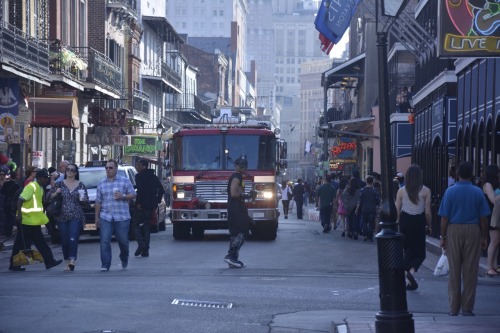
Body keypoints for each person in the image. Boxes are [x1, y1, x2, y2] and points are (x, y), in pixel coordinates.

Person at [438, 161, 489, 316]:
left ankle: (453, 308)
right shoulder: (478, 192)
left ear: (457, 174)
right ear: (472, 175)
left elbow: (444, 218)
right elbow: (484, 217)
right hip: (473, 230)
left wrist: (443, 236)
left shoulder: (450, 192)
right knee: (470, 270)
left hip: (453, 229)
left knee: (454, 270)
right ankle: (467, 308)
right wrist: (484, 236)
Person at [8, 169, 62, 271]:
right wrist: (19, 215)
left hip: (33, 221)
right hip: (26, 221)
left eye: (47, 178)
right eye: (45, 178)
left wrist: (54, 195)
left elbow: (42, 202)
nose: (46, 180)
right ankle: (14, 264)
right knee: (22, 243)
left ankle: (49, 261)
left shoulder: (40, 188)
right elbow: (20, 200)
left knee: (38, 242)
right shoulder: (31, 187)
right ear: (39, 178)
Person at [395, 165, 432, 290]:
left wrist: (397, 223)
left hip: (405, 220)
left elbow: (397, 210)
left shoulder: (401, 191)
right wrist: (429, 225)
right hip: (418, 220)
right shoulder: (426, 190)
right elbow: (427, 211)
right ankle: (411, 271)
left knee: (407, 249)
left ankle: (408, 275)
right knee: (420, 252)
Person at [95, 159, 136, 271]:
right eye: (106, 168)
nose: (108, 169)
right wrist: (96, 218)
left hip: (122, 216)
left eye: (110, 167)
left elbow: (133, 194)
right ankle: (105, 265)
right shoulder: (101, 183)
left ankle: (124, 257)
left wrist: (123, 196)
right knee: (104, 241)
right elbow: (98, 202)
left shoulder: (124, 181)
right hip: (106, 216)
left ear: (116, 169)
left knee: (123, 241)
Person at [47, 163, 88, 271]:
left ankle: (72, 261)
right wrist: (56, 193)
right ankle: (67, 261)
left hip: (76, 215)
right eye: (67, 169)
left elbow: (85, 203)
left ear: (75, 172)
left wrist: (83, 199)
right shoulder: (59, 184)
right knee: (65, 240)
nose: (69, 171)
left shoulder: (81, 185)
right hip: (61, 216)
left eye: (71, 170)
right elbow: (47, 198)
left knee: (73, 238)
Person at [224, 157, 256, 268]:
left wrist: (248, 195)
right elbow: (234, 193)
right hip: (236, 208)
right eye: (241, 165)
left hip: (239, 208)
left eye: (245, 165)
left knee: (237, 232)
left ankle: (233, 259)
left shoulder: (240, 178)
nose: (243, 168)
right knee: (240, 233)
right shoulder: (236, 177)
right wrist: (246, 195)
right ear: (236, 166)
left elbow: (240, 192)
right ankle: (231, 256)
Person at [132, 159, 165, 258]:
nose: (137, 167)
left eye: (138, 165)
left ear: (144, 166)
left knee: (135, 224)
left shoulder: (139, 176)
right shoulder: (154, 176)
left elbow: (140, 190)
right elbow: (161, 190)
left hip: (142, 205)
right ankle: (146, 250)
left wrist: (138, 202)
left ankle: (142, 244)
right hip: (151, 205)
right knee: (146, 226)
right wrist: (157, 200)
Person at [482, 164, 500, 276]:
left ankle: (494, 265)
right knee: (494, 241)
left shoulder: (495, 184)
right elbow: (493, 199)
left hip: (497, 215)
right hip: (492, 216)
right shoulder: (488, 185)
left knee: (497, 241)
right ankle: (489, 267)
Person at [356, 176, 380, 242]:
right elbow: (378, 200)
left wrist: (357, 209)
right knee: (371, 223)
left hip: (364, 208)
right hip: (372, 208)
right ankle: (370, 236)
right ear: (372, 182)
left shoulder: (362, 190)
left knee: (364, 222)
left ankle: (365, 234)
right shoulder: (374, 190)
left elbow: (359, 201)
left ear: (366, 181)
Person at [1, 170, 20, 237]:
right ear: (16, 177)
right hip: (12, 203)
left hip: (6, 202)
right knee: (11, 218)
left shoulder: (6, 183)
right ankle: (9, 233)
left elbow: (2, 192)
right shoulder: (17, 185)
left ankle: (5, 232)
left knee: (6, 217)